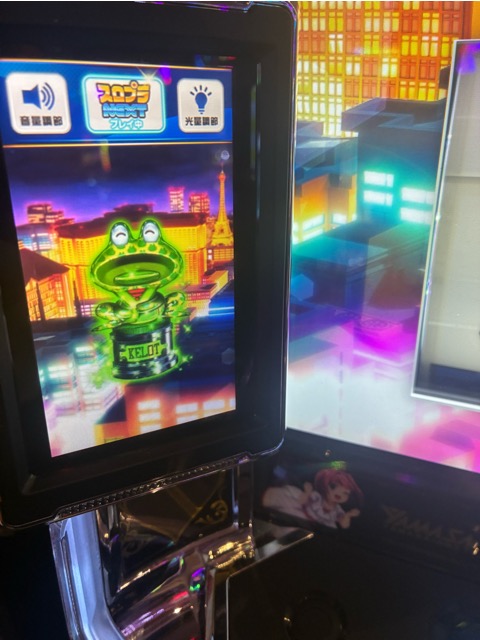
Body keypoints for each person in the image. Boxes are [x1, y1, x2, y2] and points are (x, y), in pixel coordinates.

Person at [262, 467, 363, 530]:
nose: (339, 494)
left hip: (318, 529)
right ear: (325, 485)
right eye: (333, 486)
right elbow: (301, 501)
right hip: (301, 516)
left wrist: (348, 515)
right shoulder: (317, 497)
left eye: (345, 493)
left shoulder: (338, 510)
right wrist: (307, 492)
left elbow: (344, 525)